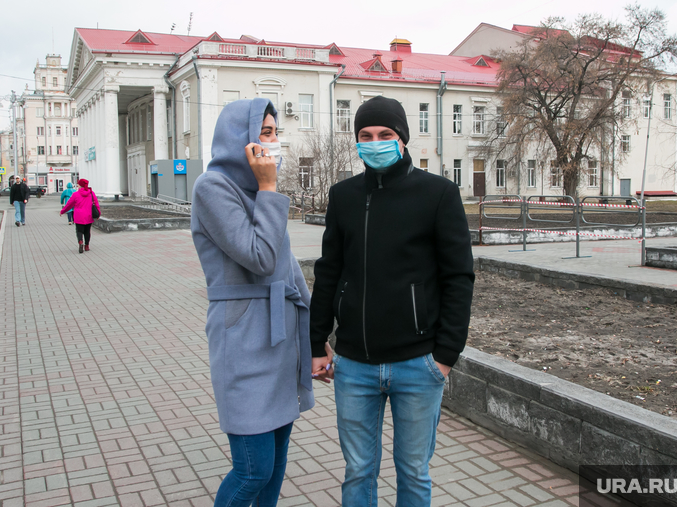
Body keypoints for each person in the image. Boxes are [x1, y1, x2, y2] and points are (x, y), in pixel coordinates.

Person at [310, 96, 475, 506]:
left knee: (414, 472)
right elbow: (328, 272)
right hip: (353, 367)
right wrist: (316, 344)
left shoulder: (438, 193)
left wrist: (445, 355)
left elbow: (458, 277)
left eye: (385, 134)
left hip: (418, 365)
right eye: (365, 135)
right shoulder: (343, 195)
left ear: (402, 138)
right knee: (358, 472)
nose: (375, 142)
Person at [190, 98, 314, 507]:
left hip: (280, 341)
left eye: (276, 132)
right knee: (252, 470)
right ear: (238, 137)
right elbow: (259, 257)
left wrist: (317, 339)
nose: (274, 141)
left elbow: (289, 268)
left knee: (275, 469)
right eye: (265, 133)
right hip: (243, 339)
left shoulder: (261, 192)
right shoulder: (212, 188)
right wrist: (268, 188)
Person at [60, 179, 100, 253]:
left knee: (79, 231)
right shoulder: (91, 193)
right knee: (87, 231)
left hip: (78, 216)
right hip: (89, 215)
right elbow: (96, 204)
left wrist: (62, 211)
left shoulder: (76, 194)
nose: (77, 186)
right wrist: (98, 213)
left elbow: (69, 204)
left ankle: (80, 242)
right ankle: (87, 245)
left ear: (80, 185)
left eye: (78, 184)